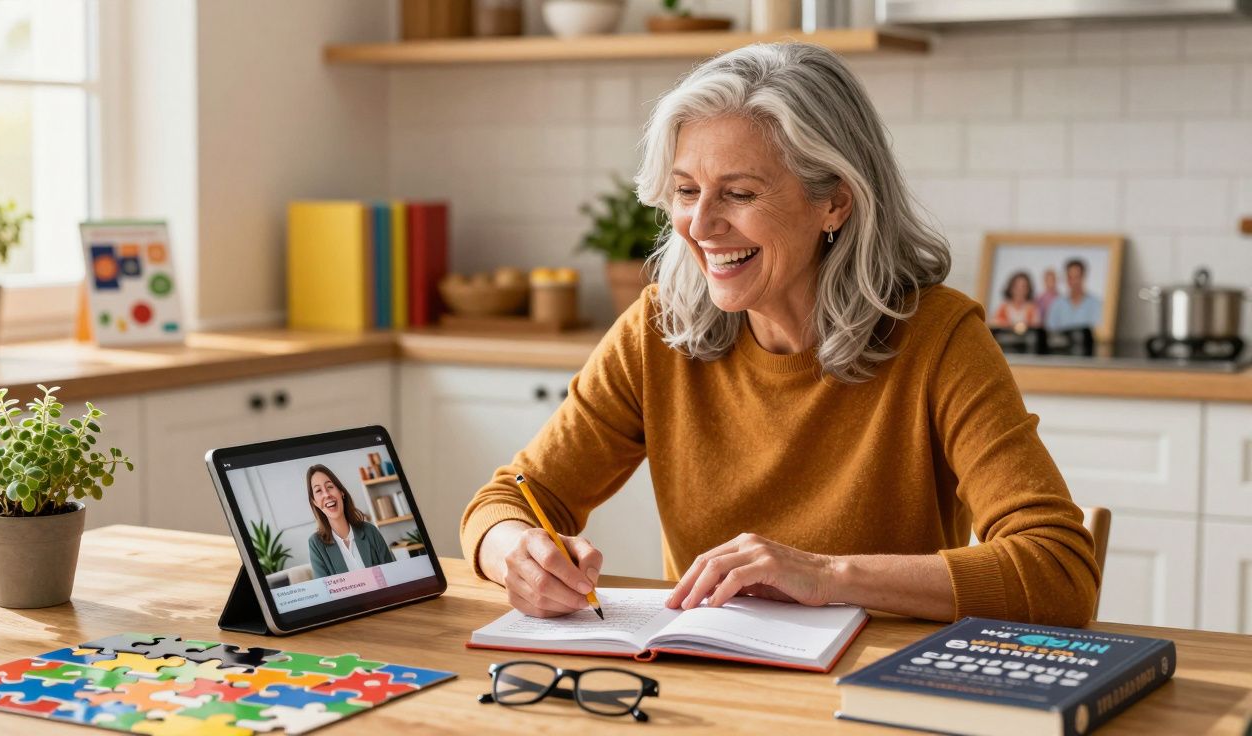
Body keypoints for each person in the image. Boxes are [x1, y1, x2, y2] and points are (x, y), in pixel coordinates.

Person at [460, 43, 1099, 627]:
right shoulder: (659, 331)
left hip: (879, 690)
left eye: (738, 193)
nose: (701, 225)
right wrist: (514, 551)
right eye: (686, 191)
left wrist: (825, 575)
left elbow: (1060, 572)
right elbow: (507, 501)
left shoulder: (938, 338)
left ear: (835, 203)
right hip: (710, 688)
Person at [306, 464, 394, 578]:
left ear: (341, 492)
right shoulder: (316, 544)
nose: (326, 494)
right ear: (315, 502)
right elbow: (326, 592)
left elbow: (392, 575)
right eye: (318, 490)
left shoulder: (370, 531)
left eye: (330, 487)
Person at [1044, 259, 1102, 332]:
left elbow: (1098, 333)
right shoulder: (1057, 304)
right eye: (1070, 277)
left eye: (1077, 277)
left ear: (1083, 277)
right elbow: (1050, 332)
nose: (1073, 282)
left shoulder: (1096, 304)